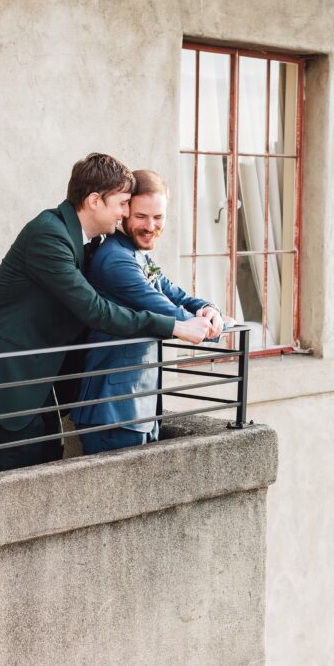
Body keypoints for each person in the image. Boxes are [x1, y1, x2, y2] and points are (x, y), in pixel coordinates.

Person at [0, 154, 211, 472]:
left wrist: (205, 308)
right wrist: (174, 326)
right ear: (95, 200)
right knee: (21, 496)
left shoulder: (90, 241)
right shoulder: (48, 235)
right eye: (123, 204)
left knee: (48, 475)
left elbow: (157, 283)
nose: (126, 213)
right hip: (6, 386)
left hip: (38, 386)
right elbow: (95, 311)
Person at [75, 169, 224, 455]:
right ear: (125, 213)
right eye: (141, 216)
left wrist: (209, 308)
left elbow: (176, 294)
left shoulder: (136, 252)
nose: (150, 226)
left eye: (158, 217)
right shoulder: (116, 259)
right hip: (114, 409)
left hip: (140, 407)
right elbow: (165, 309)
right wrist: (212, 326)